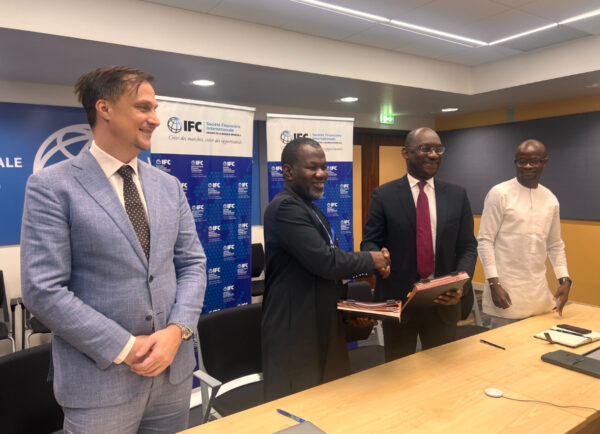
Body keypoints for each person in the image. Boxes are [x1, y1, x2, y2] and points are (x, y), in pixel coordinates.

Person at [20, 66, 207, 433]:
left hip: (172, 375)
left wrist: (177, 331)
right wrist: (125, 347)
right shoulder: (52, 187)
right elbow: (42, 289)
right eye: (143, 108)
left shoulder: (169, 186)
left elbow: (193, 264)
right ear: (104, 108)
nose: (155, 119)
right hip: (100, 382)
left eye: (155, 109)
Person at [262, 137, 391, 401]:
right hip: (296, 329)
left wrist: (348, 311)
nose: (322, 173)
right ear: (288, 171)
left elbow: (331, 266)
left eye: (324, 166)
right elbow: (326, 262)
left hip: (321, 320)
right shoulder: (285, 208)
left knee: (329, 399)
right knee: (299, 405)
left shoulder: (311, 210)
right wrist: (372, 260)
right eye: (312, 167)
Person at [361, 127, 477, 361]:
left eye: (438, 149)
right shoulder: (384, 195)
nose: (433, 155)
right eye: (425, 149)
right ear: (406, 153)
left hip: (443, 300)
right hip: (399, 301)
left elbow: (467, 246)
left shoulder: (457, 195)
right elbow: (370, 242)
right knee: (398, 370)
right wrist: (378, 259)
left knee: (443, 369)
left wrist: (461, 286)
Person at [478, 139, 571, 328]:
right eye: (522, 161)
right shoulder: (499, 193)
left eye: (533, 161)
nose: (527, 166)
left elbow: (554, 244)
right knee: (503, 345)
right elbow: (485, 241)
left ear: (544, 163)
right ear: (515, 163)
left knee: (537, 343)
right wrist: (494, 284)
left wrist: (565, 279)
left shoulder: (550, 199)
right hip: (506, 290)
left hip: (538, 293)